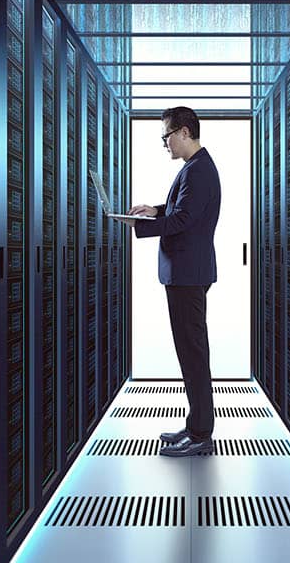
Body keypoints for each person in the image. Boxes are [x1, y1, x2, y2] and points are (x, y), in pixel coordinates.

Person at [115, 106, 222, 457]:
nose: (165, 143)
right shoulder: (195, 168)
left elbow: (184, 221)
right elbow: (180, 211)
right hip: (186, 274)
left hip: (188, 276)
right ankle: (195, 427)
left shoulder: (199, 171)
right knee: (190, 353)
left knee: (193, 354)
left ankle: (201, 434)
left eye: (167, 136)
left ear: (185, 133)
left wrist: (140, 227)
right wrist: (154, 209)